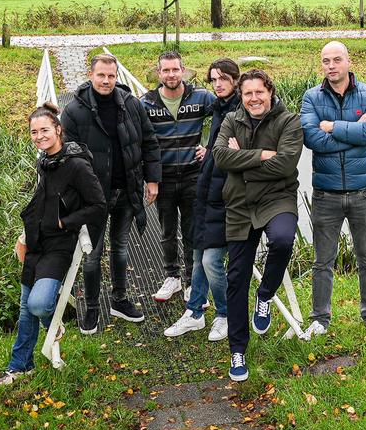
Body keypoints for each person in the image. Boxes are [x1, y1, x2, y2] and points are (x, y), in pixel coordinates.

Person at [0, 103, 106, 386]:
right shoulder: (44, 161)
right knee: (24, 309)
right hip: (36, 242)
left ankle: (53, 325)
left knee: (40, 304)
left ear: (58, 130)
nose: (39, 136)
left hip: (59, 246)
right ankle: (20, 365)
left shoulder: (77, 165)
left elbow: (98, 205)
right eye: (34, 132)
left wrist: (63, 223)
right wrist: (24, 236)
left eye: (44, 130)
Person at [61, 53, 161, 333]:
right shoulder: (74, 111)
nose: (106, 81)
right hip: (93, 196)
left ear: (117, 77)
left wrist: (152, 179)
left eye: (111, 76)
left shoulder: (130, 104)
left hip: (126, 189)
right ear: (91, 76)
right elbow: (65, 151)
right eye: (101, 75)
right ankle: (92, 307)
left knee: (120, 247)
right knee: (92, 253)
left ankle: (119, 299)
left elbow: (149, 140)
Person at [214, 69, 303, 381]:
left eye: (259, 92)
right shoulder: (231, 120)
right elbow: (220, 157)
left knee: (282, 240)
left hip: (276, 198)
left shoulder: (288, 121)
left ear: (270, 92)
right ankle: (237, 350)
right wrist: (262, 155)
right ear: (241, 96)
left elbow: (286, 163)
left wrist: (244, 162)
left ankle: (265, 295)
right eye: (247, 93)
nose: (253, 99)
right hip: (239, 204)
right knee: (236, 279)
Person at [299, 41, 366, 337]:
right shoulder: (311, 98)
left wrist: (332, 126)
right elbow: (313, 140)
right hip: (326, 193)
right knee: (322, 260)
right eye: (326, 61)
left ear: (349, 62)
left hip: (363, 192)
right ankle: (319, 319)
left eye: (337, 59)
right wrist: (354, 130)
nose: (331, 66)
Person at [163, 58, 240, 341]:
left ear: (235, 79)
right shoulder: (219, 106)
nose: (218, 84)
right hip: (206, 189)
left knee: (211, 261)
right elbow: (221, 144)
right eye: (213, 79)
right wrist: (210, 150)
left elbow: (239, 151)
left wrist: (217, 153)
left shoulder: (242, 108)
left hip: (226, 197)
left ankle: (225, 313)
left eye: (223, 78)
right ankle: (194, 312)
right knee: (197, 254)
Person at [141, 50, 216, 302]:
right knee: (167, 230)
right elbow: (138, 140)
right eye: (166, 70)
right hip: (164, 178)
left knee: (192, 230)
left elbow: (227, 116)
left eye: (175, 69)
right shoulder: (147, 103)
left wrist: (211, 148)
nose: (171, 74)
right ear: (159, 73)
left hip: (193, 176)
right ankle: (171, 277)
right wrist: (149, 178)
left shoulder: (201, 97)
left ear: (183, 71)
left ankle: (191, 280)